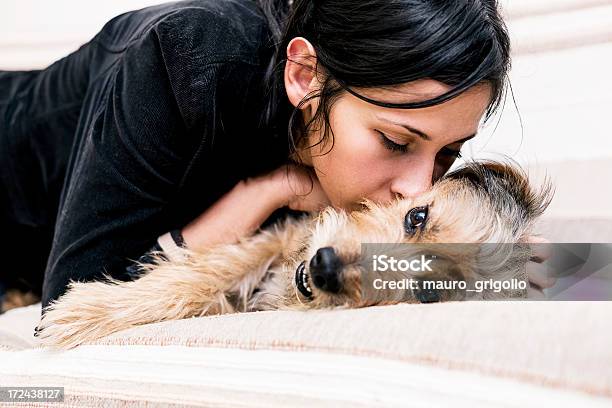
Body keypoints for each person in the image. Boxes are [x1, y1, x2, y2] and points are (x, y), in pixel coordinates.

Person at [0, 0, 552, 314]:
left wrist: (495, 265)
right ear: (304, 76)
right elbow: (70, 309)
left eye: (446, 153)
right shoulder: (181, 59)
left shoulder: (357, 177)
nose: (417, 185)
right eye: (395, 141)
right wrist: (269, 191)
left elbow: (587, 271)